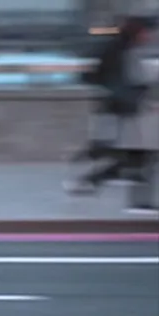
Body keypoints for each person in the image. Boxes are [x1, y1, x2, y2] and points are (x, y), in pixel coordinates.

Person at [67, 16, 156, 197]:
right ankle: (93, 177)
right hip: (125, 111)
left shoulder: (124, 50)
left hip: (126, 110)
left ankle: (92, 176)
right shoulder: (122, 51)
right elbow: (123, 81)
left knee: (137, 157)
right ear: (139, 32)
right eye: (148, 32)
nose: (151, 37)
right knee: (136, 156)